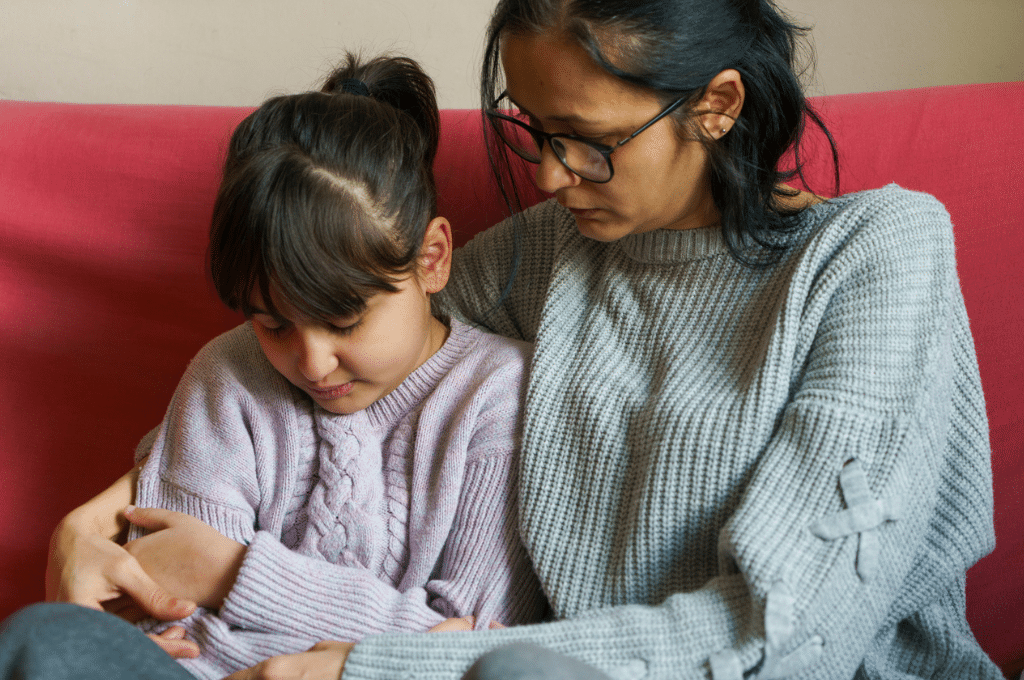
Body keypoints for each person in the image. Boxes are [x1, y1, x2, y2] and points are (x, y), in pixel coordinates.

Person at [17, 0, 1002, 677]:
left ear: (717, 103)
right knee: (50, 647)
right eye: (531, 129)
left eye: (587, 141)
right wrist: (101, 520)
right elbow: (335, 347)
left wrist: (382, 662)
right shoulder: (546, 253)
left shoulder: (874, 254)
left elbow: (790, 642)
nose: (547, 176)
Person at [0, 53, 547, 680]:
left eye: (344, 322)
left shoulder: (499, 394)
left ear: (431, 260)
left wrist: (234, 572)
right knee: (44, 638)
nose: (311, 363)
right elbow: (168, 612)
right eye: (273, 324)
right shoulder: (228, 372)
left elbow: (472, 648)